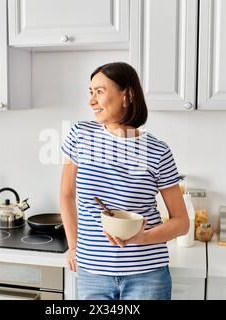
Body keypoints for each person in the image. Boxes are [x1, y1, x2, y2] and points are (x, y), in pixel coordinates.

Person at [59, 62, 189, 300]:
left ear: (127, 95)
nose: (91, 101)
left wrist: (143, 237)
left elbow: (181, 222)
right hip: (92, 274)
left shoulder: (157, 151)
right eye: (91, 92)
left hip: (147, 276)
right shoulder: (80, 135)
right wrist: (74, 246)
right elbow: (66, 195)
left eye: (99, 91)